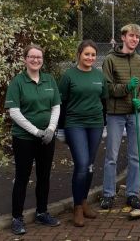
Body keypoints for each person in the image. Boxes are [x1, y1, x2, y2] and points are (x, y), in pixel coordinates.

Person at [5, 44, 61, 235]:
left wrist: (51, 129)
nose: (35, 60)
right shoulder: (18, 82)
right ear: (25, 59)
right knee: (22, 177)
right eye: (32, 57)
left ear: (42, 60)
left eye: (39, 57)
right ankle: (17, 218)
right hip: (24, 138)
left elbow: (56, 106)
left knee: (44, 176)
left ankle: (42, 212)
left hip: (47, 137)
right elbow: (14, 112)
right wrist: (37, 131)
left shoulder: (49, 80)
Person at [58, 40, 108, 227]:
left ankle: (85, 201)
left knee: (89, 166)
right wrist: (61, 128)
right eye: (86, 54)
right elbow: (61, 103)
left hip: (95, 124)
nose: (90, 58)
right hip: (74, 124)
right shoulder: (69, 75)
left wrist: (104, 125)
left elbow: (103, 102)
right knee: (81, 164)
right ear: (79, 54)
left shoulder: (99, 75)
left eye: (93, 55)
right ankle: (77, 207)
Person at [101, 24, 140, 210]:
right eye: (131, 36)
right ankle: (108, 194)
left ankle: (133, 194)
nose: (134, 39)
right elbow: (107, 88)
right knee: (111, 156)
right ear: (123, 37)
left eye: (137, 37)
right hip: (115, 114)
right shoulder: (110, 60)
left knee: (135, 155)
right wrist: (127, 87)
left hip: (135, 113)